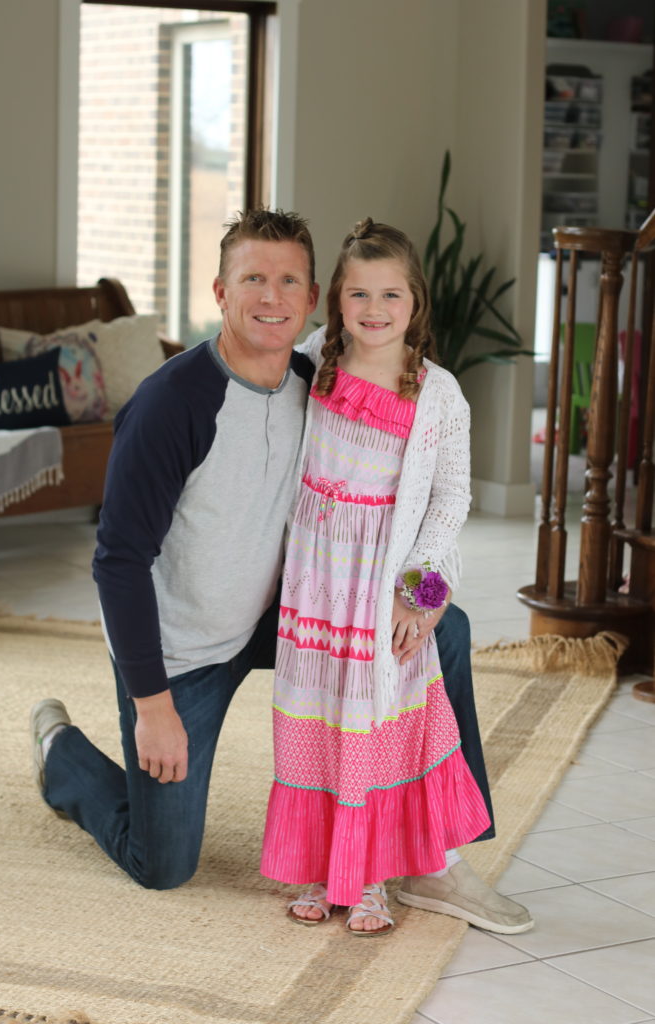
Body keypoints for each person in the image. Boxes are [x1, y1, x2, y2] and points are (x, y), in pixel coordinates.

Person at [29, 207, 531, 935]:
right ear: (220, 292)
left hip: (286, 613)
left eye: (289, 280)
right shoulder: (172, 403)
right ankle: (61, 755)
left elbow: (442, 496)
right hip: (184, 651)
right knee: (161, 863)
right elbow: (117, 563)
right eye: (253, 280)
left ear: (312, 297)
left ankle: (437, 855)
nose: (272, 297)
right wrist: (152, 706)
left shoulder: (316, 373)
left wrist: (421, 593)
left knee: (442, 629)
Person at [260, 218, 533, 936]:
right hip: (314, 581)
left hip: (380, 585)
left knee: (375, 725)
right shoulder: (315, 360)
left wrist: (421, 596)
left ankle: (374, 876)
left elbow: (450, 501)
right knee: (313, 720)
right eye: (358, 294)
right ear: (335, 301)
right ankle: (321, 866)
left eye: (390, 295)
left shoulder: (438, 393)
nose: (374, 310)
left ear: (415, 302)